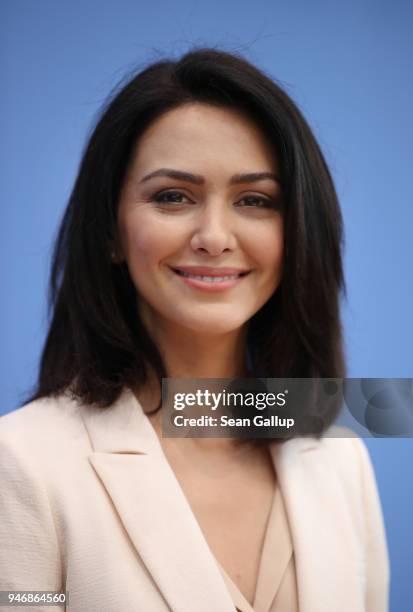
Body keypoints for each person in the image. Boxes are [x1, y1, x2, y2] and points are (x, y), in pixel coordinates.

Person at [0, 48, 389, 611]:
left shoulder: (339, 454)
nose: (214, 236)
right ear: (109, 229)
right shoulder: (22, 463)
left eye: (255, 200)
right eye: (172, 197)